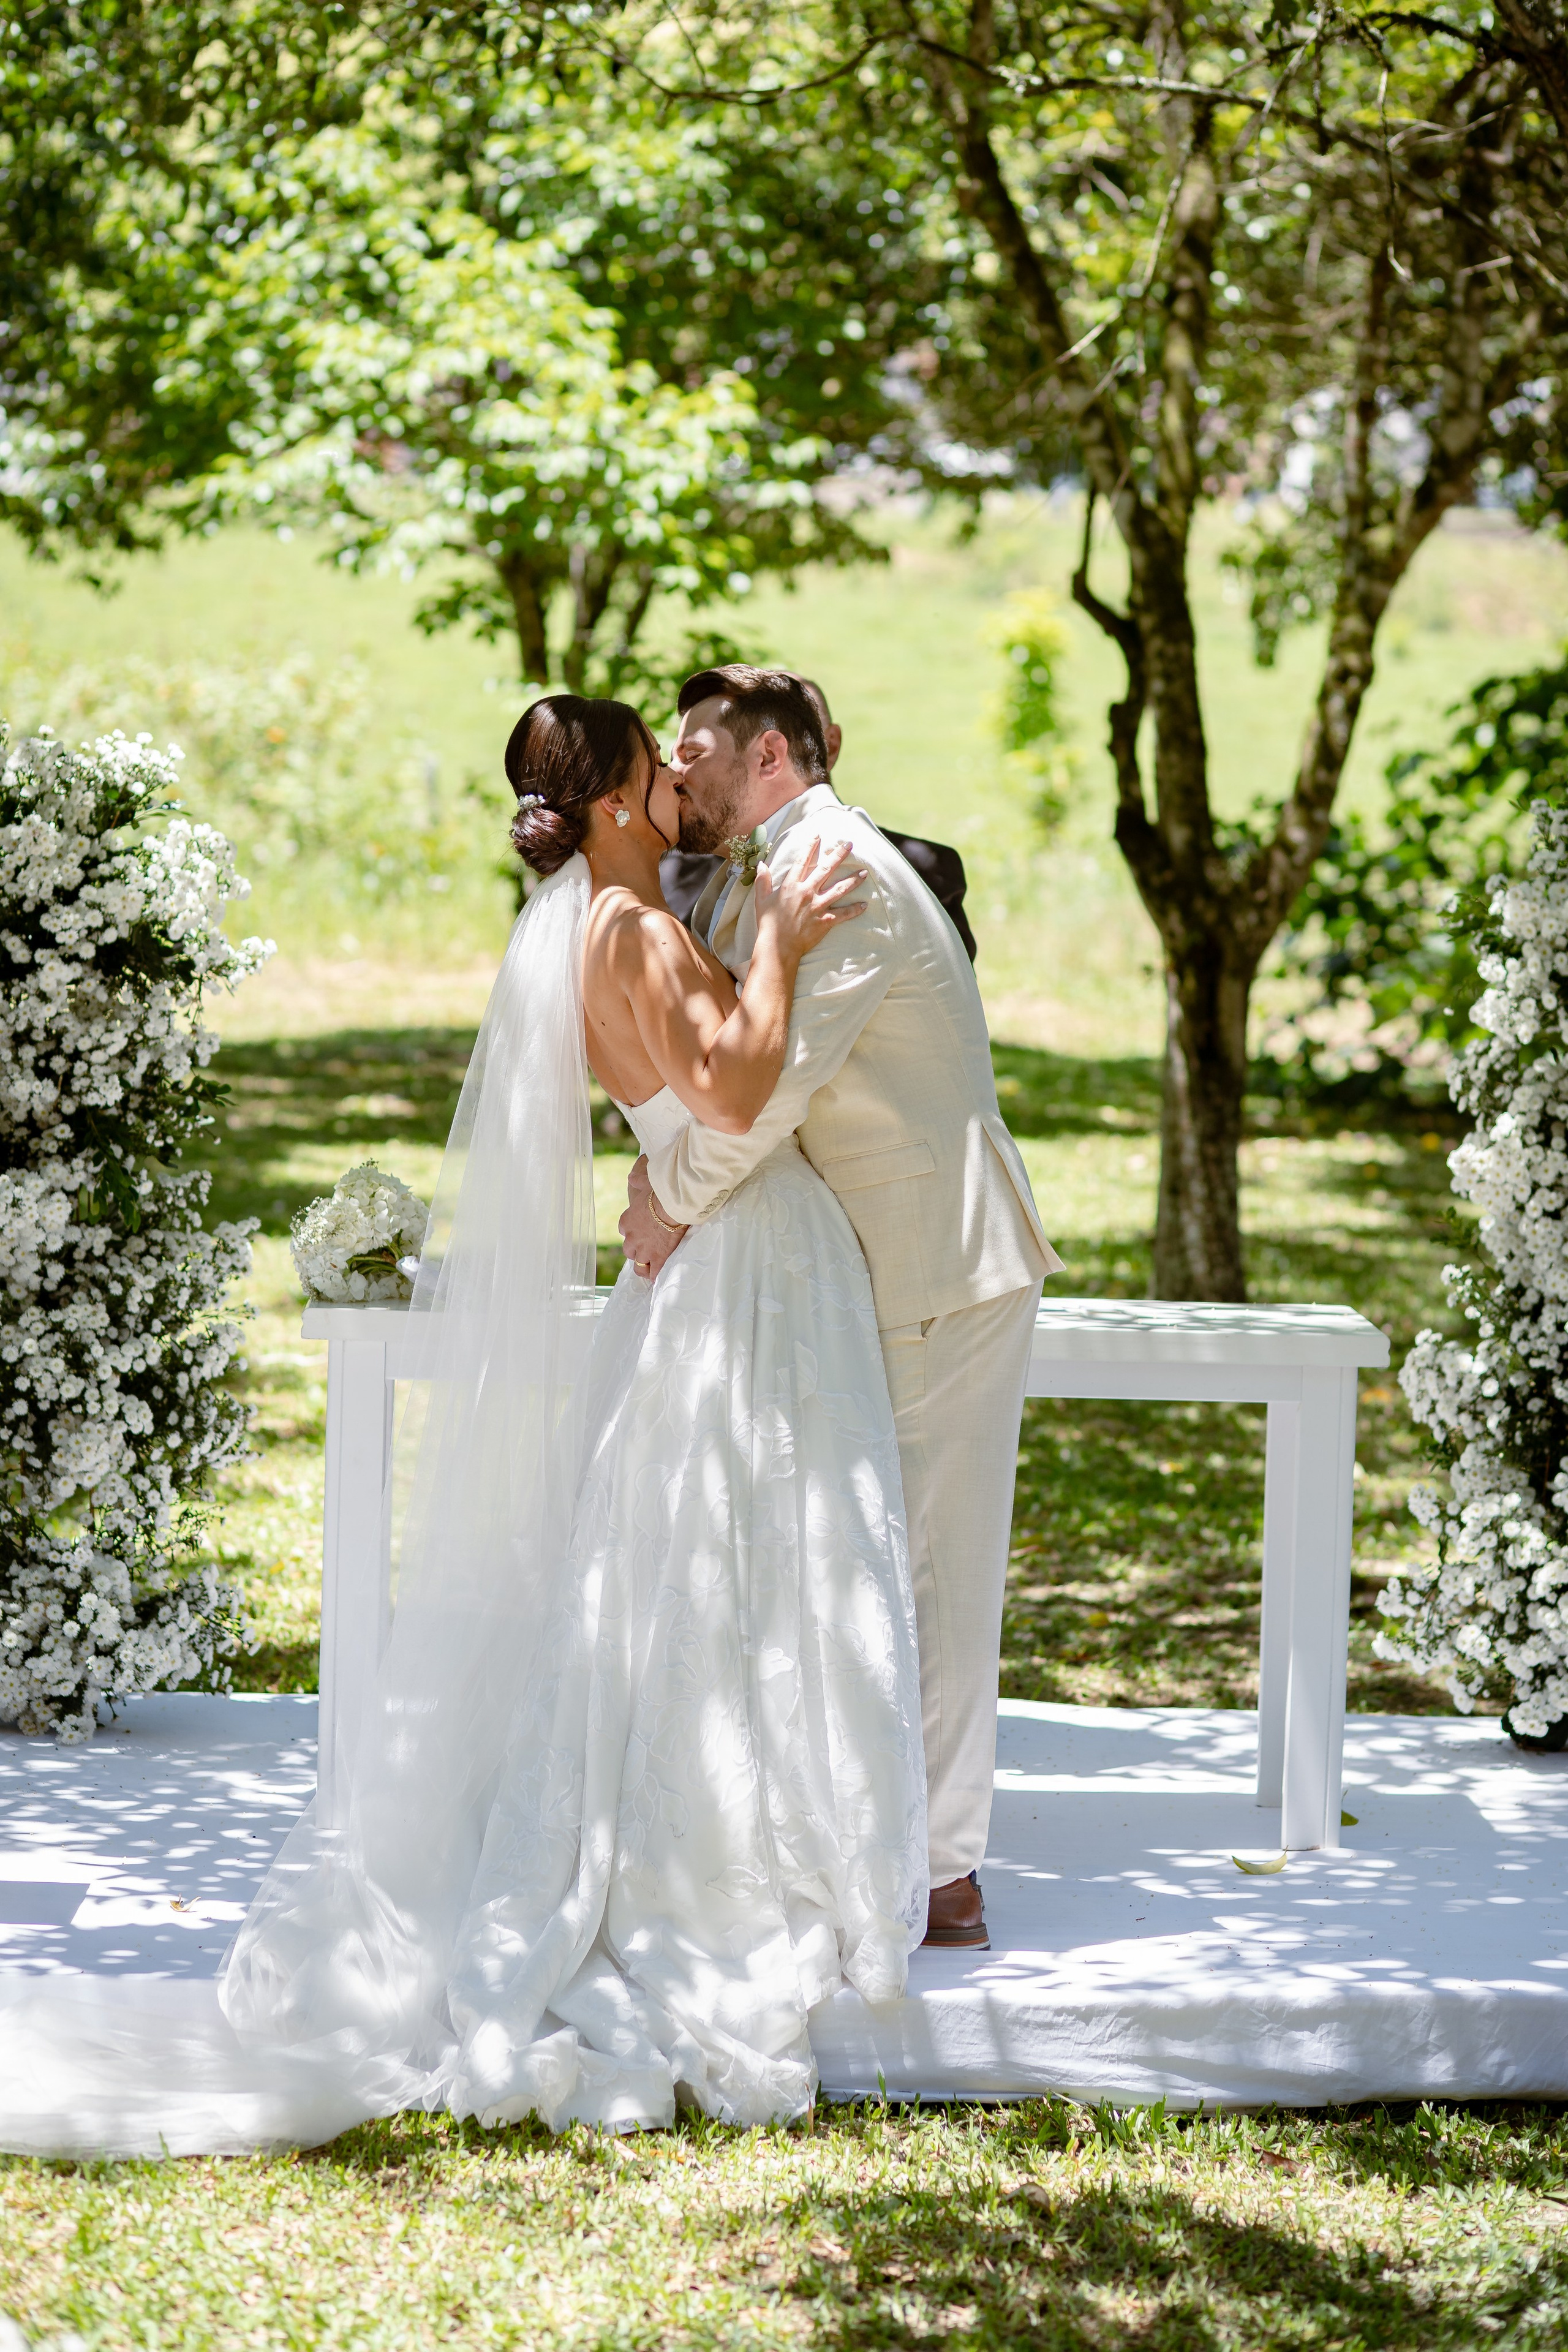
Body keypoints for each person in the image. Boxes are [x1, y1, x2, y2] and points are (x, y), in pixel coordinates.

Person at [0, 695, 928, 2157]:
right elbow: (739, 1080)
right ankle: (725, 1861)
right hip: (739, 1261)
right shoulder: (621, 931)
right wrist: (789, 942)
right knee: (729, 1562)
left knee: (702, 1559)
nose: (684, 785)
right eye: (657, 768)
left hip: (721, 1254)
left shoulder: (594, 918)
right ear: (620, 798)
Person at [620, 667, 1062, 1951]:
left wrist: (668, 1199)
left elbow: (769, 1095)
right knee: (872, 1555)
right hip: (879, 1260)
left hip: (942, 1261)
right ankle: (870, 1832)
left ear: (768, 760)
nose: (679, 770)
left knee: (930, 1562)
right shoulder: (785, 864)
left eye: (696, 748)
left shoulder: (837, 874)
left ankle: (941, 1875)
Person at [659, 677, 978, 962]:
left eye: (692, 756)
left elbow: (789, 1030)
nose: (671, 774)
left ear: (769, 757)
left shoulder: (833, 866)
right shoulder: (757, 858)